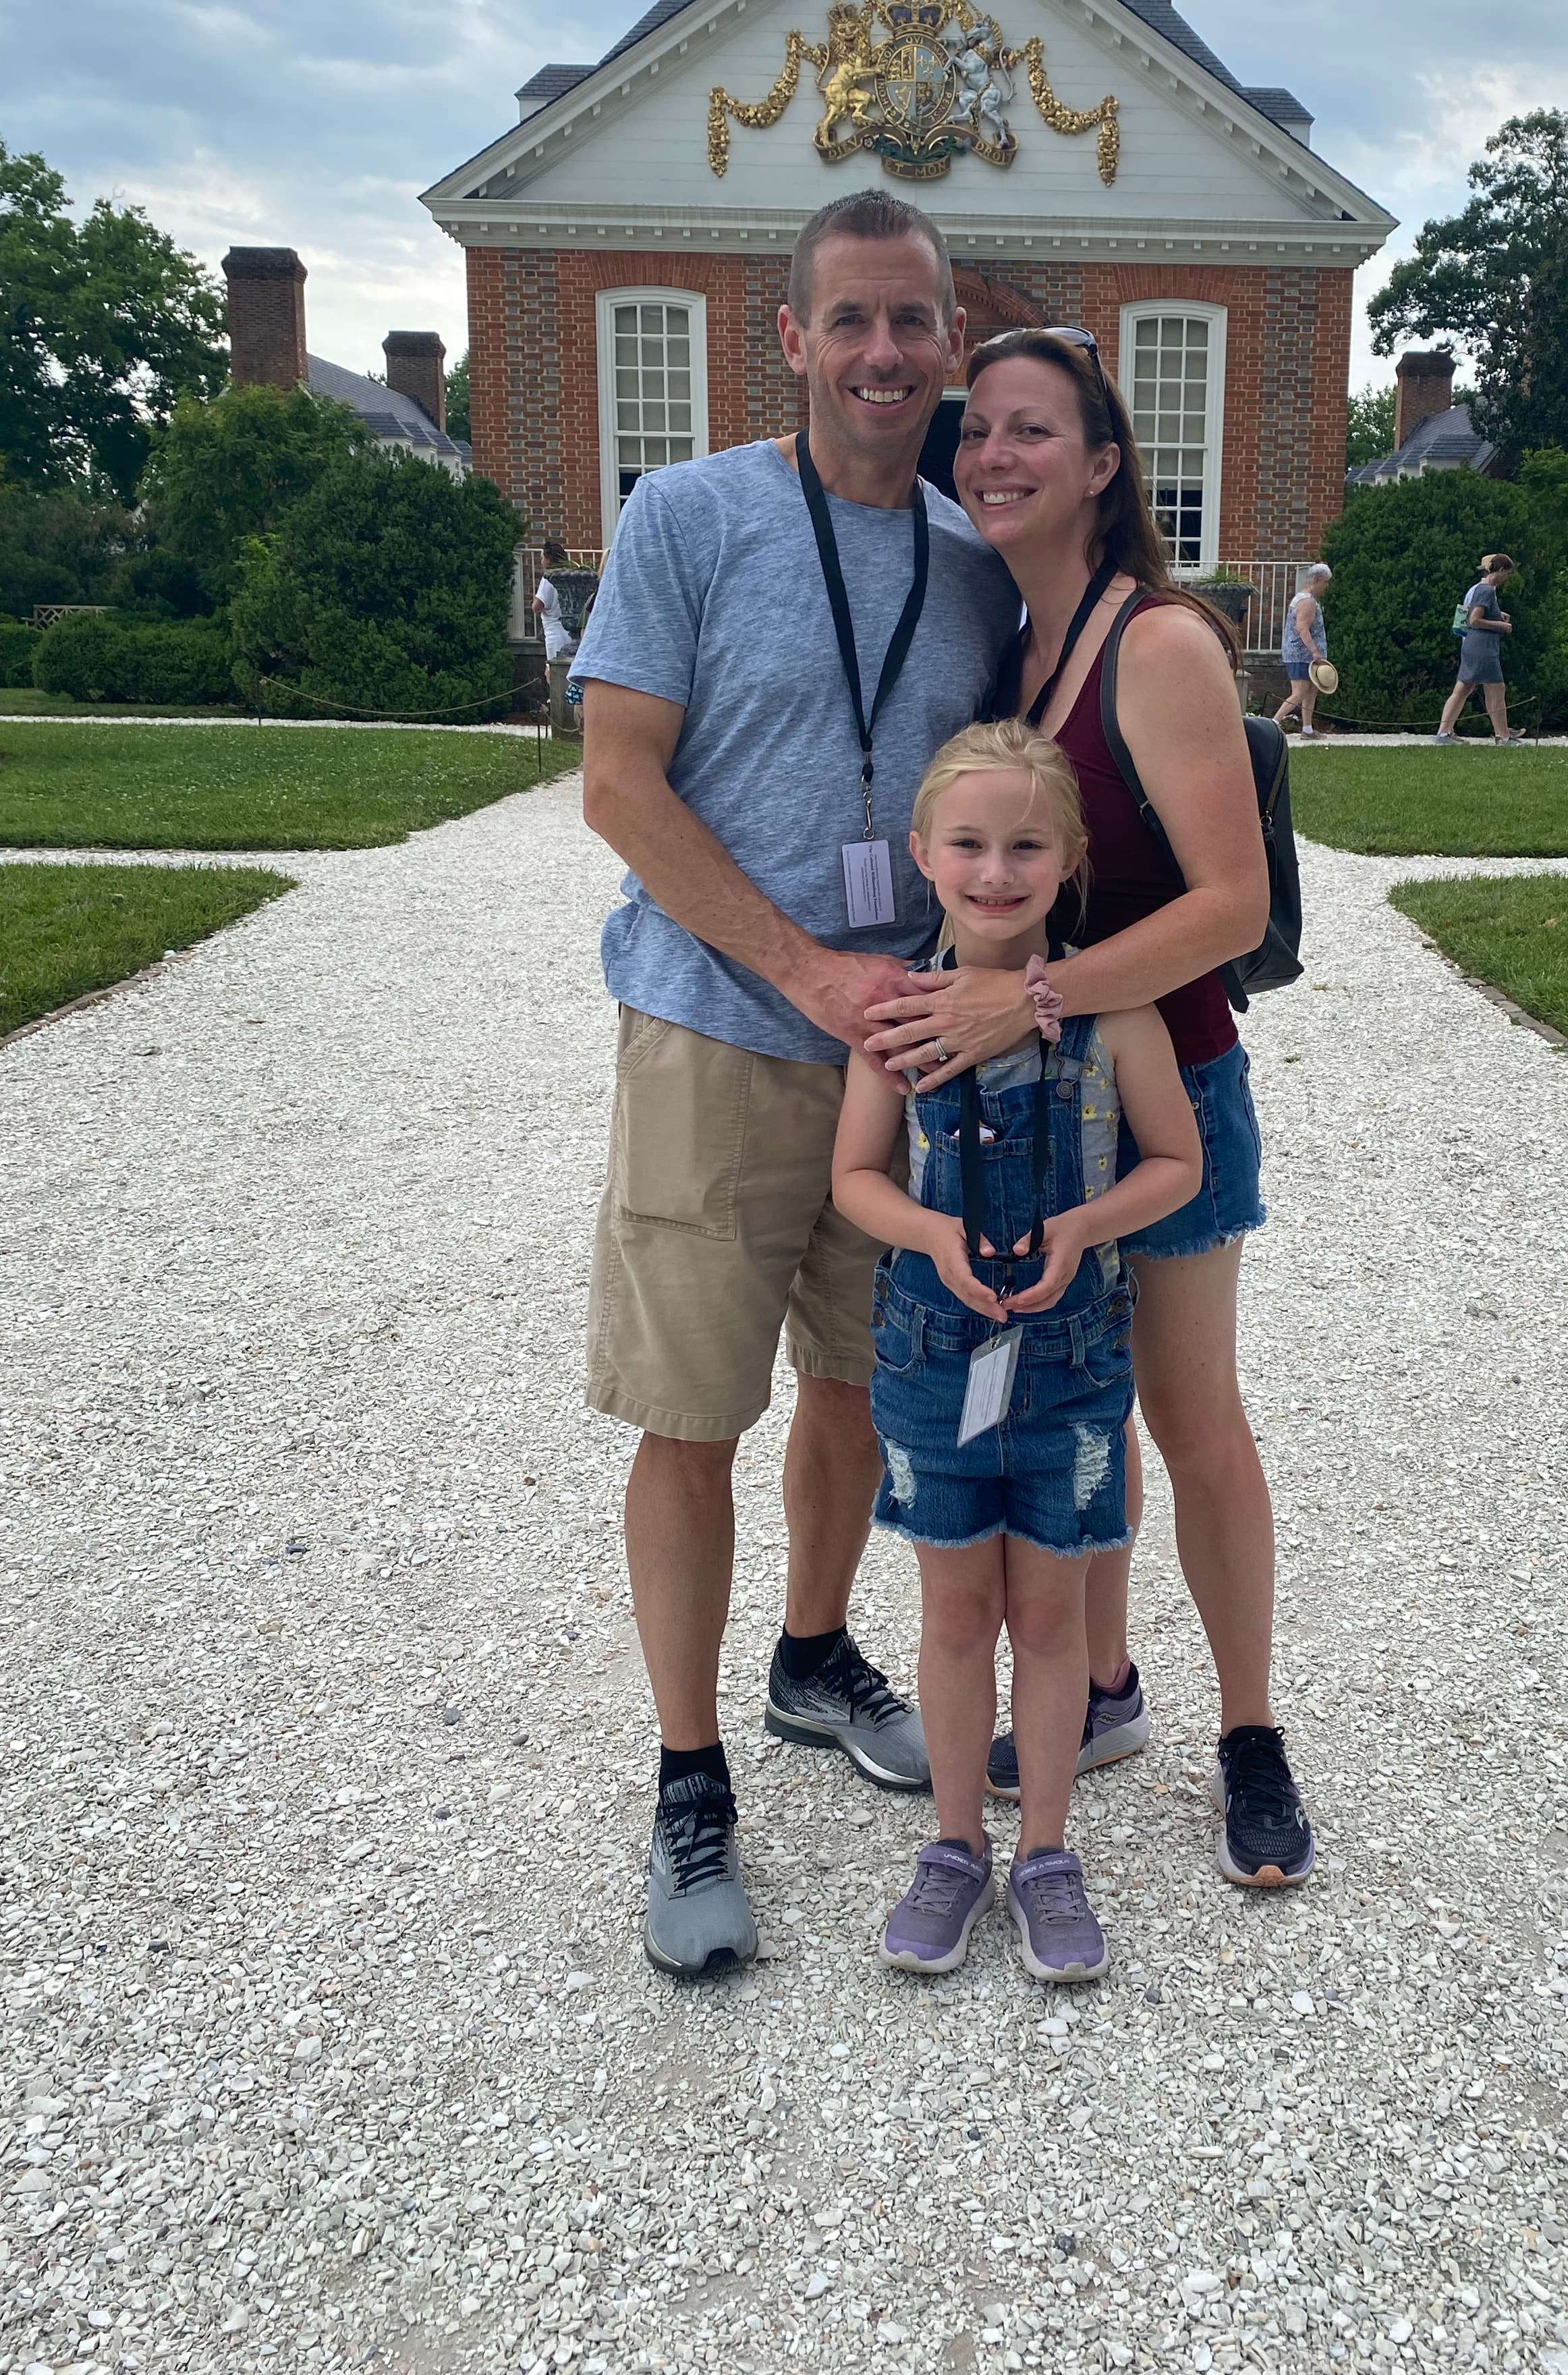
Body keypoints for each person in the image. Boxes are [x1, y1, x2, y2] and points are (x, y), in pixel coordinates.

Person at [573, 188, 1021, 1977]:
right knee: (692, 1414)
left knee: (859, 1382)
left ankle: (814, 1657)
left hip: (898, 1050)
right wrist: (807, 969)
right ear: (792, 338)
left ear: (952, 341)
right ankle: (688, 1775)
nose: (885, 353)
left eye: (915, 321)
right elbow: (620, 785)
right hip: (715, 1027)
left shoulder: (971, 555)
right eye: (851, 319)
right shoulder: (684, 518)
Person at [861, 327, 1316, 1891]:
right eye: (977, 431)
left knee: (1192, 1419)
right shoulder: (1015, 646)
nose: (992, 454)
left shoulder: (1157, 643)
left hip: (1163, 1078)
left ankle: (1251, 1737)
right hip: (1029, 1109)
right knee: (1080, 1401)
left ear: (1107, 463)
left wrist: (1026, 997)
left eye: (1032, 431)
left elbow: (1234, 905)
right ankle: (1103, 1689)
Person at [833, 722, 1200, 1980]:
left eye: (1025, 845)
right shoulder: (893, 1015)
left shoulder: (1116, 1012)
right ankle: (950, 1845)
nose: (996, 872)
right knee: (951, 1608)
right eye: (970, 845)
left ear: (1069, 857)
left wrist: (1086, 1224)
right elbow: (852, 1176)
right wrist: (931, 1235)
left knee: (1047, 1610)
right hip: (934, 1351)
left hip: (1077, 1356)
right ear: (924, 856)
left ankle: (1044, 1848)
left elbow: (1175, 1163)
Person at [1434, 552, 1522, 743]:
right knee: (1497, 689)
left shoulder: (1479, 589)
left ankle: (1444, 733)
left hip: (1473, 646)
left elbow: (1476, 611)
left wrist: (1499, 615)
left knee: (1463, 688)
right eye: (1507, 574)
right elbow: (1475, 619)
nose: (1507, 579)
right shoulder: (1488, 590)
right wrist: (1502, 626)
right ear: (1500, 570)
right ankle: (1504, 736)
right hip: (1483, 648)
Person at [1277, 563, 1333, 739]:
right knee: (1300, 692)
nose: (1327, 586)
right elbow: (1302, 628)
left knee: (1311, 691)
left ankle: (1307, 729)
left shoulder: (1304, 599)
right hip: (1301, 655)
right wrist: (1315, 652)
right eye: (1325, 582)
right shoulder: (1307, 601)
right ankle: (1273, 723)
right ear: (1316, 580)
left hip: (1304, 655)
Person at [534, 538, 580, 732]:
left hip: (553, 630)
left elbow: (538, 606)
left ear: (549, 559)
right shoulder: (570, 575)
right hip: (568, 629)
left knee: (552, 673)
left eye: (543, 557)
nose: (541, 561)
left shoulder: (548, 579)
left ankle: (560, 714)